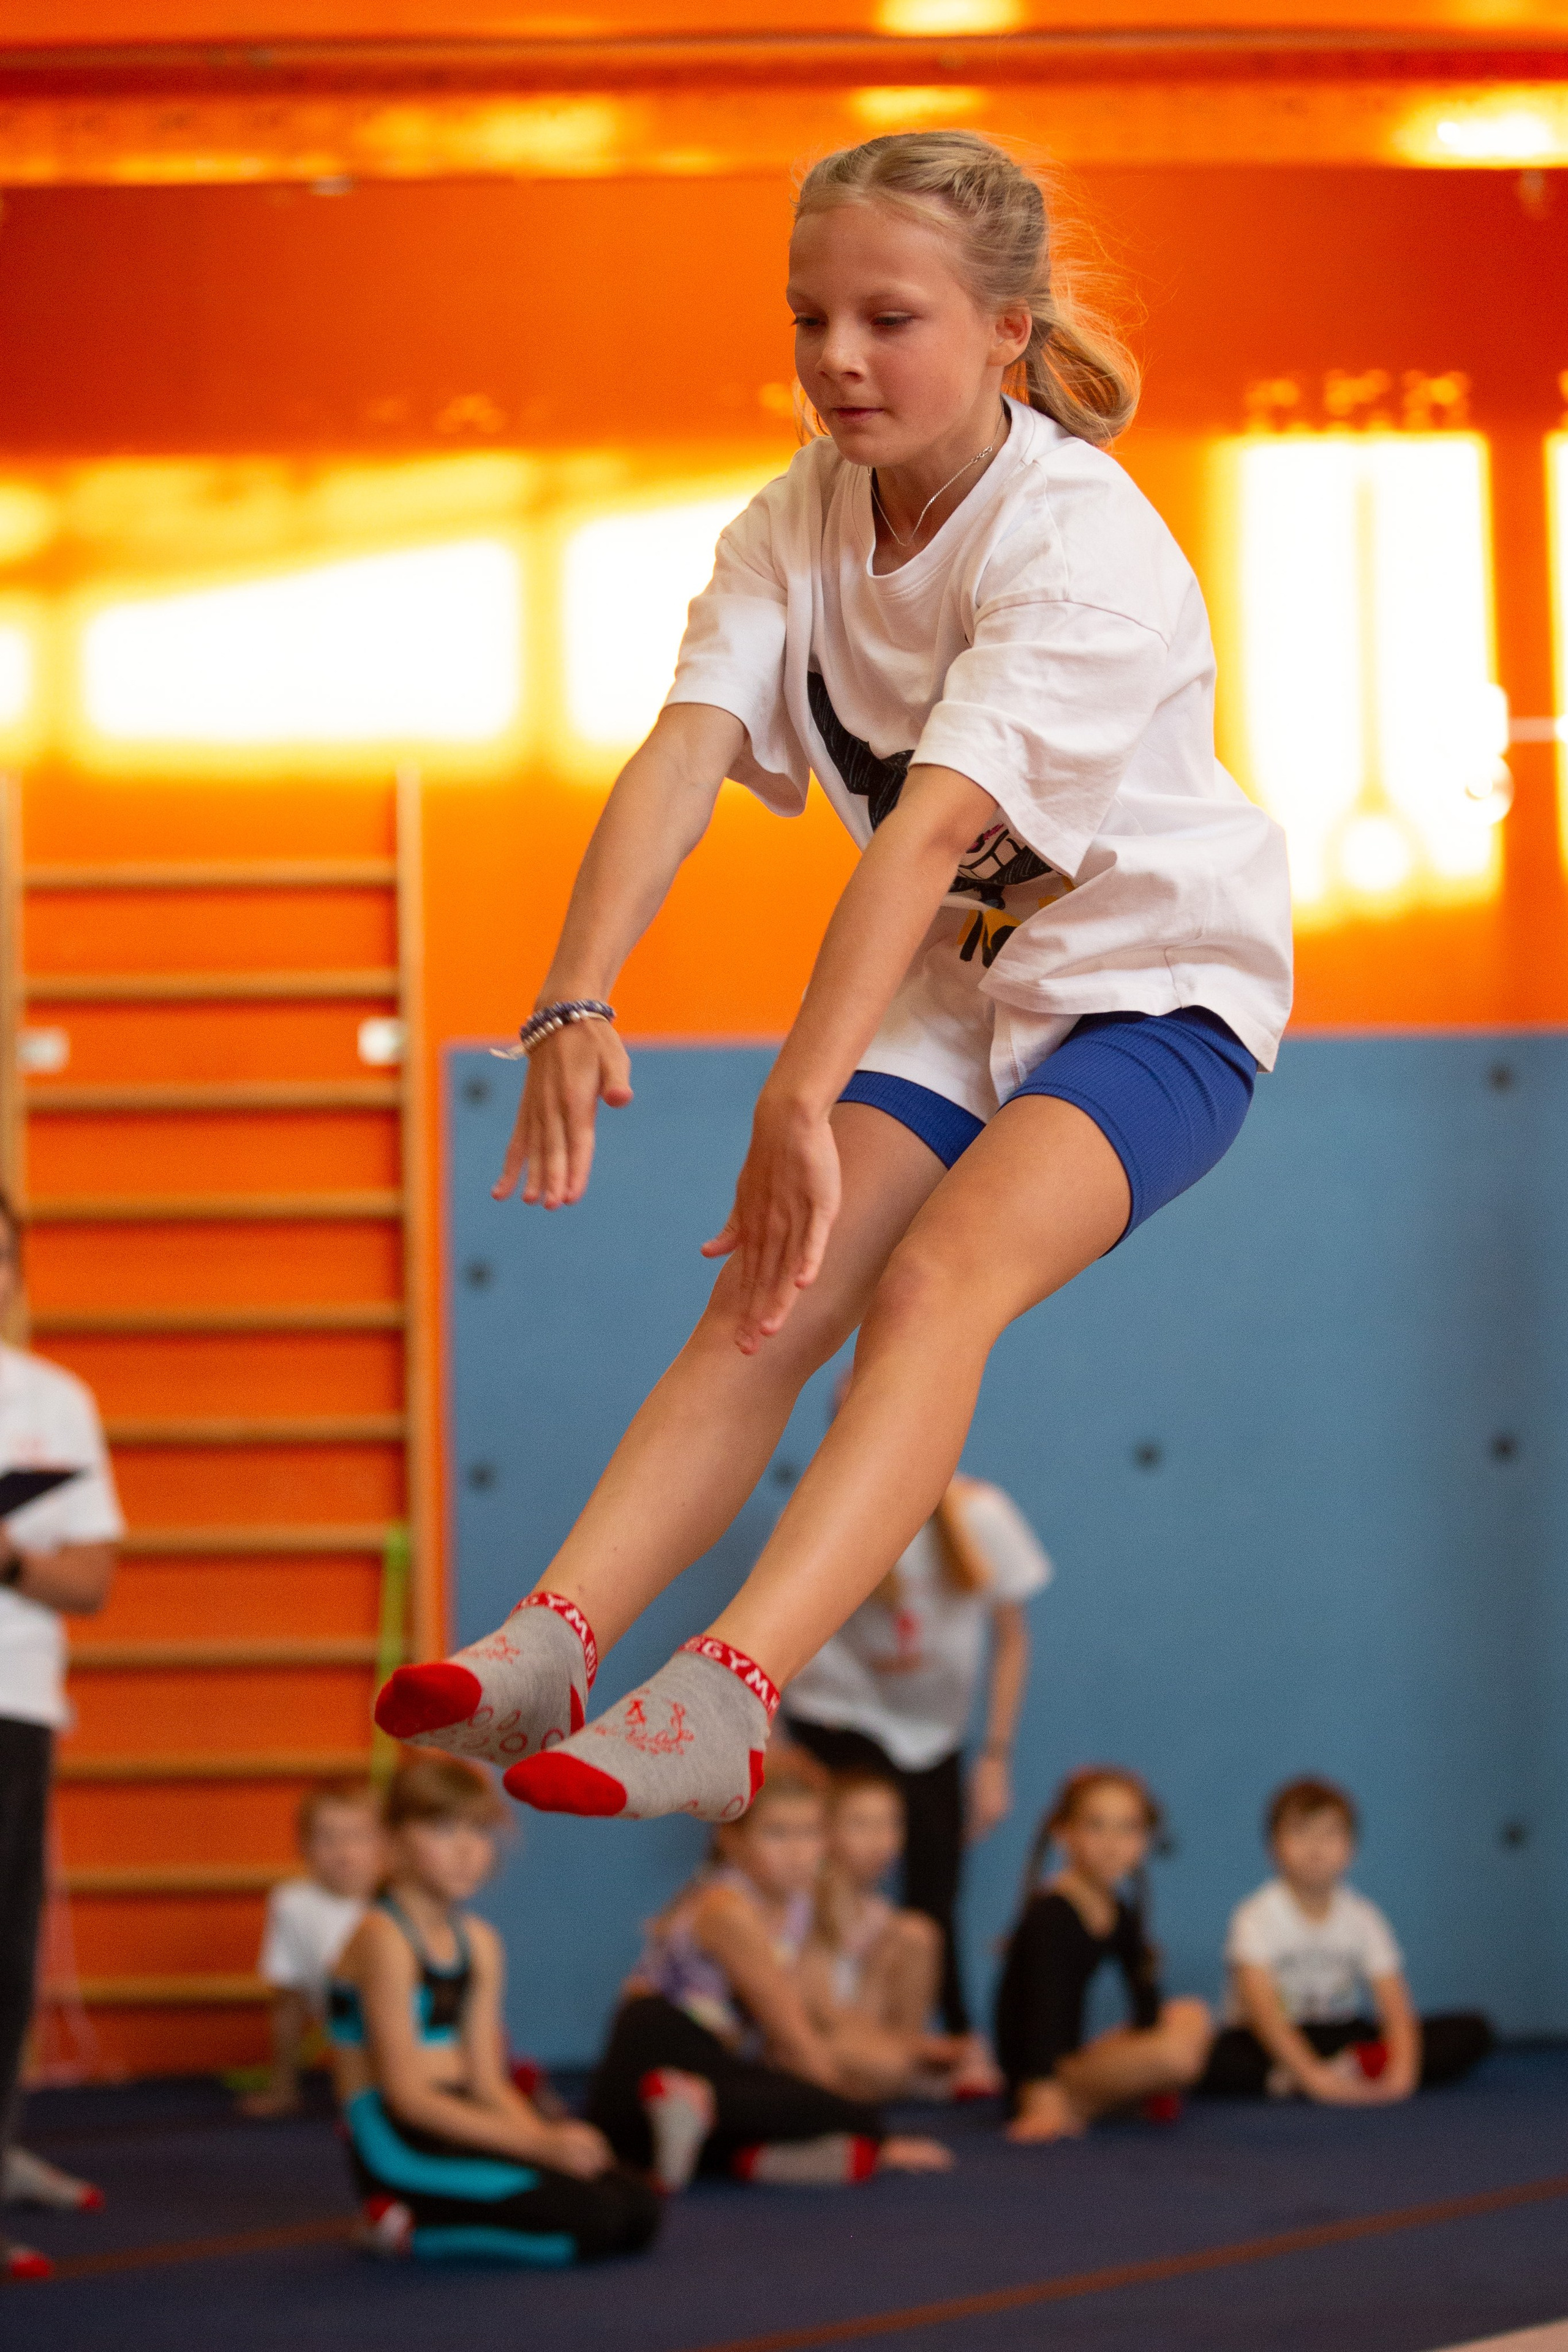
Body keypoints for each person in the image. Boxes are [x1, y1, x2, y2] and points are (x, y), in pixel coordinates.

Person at [376, 129, 1291, 1830]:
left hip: (1158, 990)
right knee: (773, 1296)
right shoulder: (794, 519)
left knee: (937, 1287)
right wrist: (575, 992)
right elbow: (683, 752)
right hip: (964, 983)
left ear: (1009, 331)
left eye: (890, 319)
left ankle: (732, 1690)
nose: (839, 361)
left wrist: (802, 1088)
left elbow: (933, 828)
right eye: (810, 321)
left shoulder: (1076, 543)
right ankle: (553, 1639)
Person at [327, 1754, 659, 2264]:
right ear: (394, 1842)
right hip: (398, 2142)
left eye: (479, 1831)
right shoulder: (383, 1939)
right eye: (442, 1829)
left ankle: (440, 2213)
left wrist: (550, 2137)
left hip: (463, 2116)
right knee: (591, 2222)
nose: (466, 1850)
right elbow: (409, 2098)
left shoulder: (479, 1944)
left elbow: (487, 2082)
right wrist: (536, 2148)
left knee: (636, 2207)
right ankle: (403, 2229)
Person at [587, 1749, 952, 2188]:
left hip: (710, 2070)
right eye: (778, 1834)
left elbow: (811, 2013)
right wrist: (871, 2129)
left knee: (790, 2097)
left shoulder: (797, 1905)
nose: (799, 1852)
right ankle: (713, 2121)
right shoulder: (727, 1909)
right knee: (836, 2111)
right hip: (656, 2054)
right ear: (732, 1839)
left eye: (810, 1833)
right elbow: (791, 2034)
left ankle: (743, 2153)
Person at [784, 1466, 1049, 2067]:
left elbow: (1013, 1640)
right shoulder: (819, 1510)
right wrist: (772, 1737)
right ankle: (802, 2031)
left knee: (935, 1885)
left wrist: (995, 1756)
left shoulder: (982, 1514)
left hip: (933, 1733)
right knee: (826, 1873)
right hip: (839, 1714)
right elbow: (780, 1622)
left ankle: (949, 2036)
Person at [0, 1188, 123, 2283]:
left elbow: (88, 1581)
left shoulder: (55, 1402)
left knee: (6, 1951)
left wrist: (5, 1558)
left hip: (17, 1703)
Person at [1200, 1776, 1494, 2103]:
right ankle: (1311, 2075)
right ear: (1273, 1848)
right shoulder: (1254, 1915)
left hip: (1339, 2033)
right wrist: (1315, 2080)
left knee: (1470, 2031)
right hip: (1269, 2038)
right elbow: (1264, 2012)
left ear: (1351, 1848)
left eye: (1330, 1834)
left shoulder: (1363, 1916)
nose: (1315, 1848)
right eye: (1300, 1833)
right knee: (1208, 2056)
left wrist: (1403, 2076)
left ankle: (1319, 2074)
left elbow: (1395, 2005)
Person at [994, 1766, 1212, 2141]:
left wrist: (1142, 2043)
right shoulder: (1051, 1914)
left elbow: (1146, 2007)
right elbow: (1039, 2015)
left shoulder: (1119, 1909)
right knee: (1173, 2056)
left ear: (1144, 1840)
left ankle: (1112, 2095)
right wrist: (1038, 2095)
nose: (1113, 1842)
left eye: (1128, 1828)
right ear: (1065, 1834)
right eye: (1096, 1826)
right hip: (1040, 2076)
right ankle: (1064, 2103)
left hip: (1073, 2062)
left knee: (1192, 2013)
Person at [797, 1766, 973, 2101]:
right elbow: (820, 2015)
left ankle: (898, 2070)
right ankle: (899, 2072)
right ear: (826, 1831)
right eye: (860, 1824)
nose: (879, 1839)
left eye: (890, 1823)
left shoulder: (880, 1913)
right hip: (819, 2039)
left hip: (867, 2036)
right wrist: (912, 2050)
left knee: (918, 1932)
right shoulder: (809, 1902)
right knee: (892, 2063)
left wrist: (908, 2044)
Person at [240, 1782, 384, 2119]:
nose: (344, 1851)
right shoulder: (292, 1904)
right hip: (350, 2037)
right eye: (327, 1838)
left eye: (358, 1836)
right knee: (359, 2106)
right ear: (303, 1846)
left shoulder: (393, 1900)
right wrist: (283, 2087)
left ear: (384, 1844)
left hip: (410, 2034)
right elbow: (288, 2003)